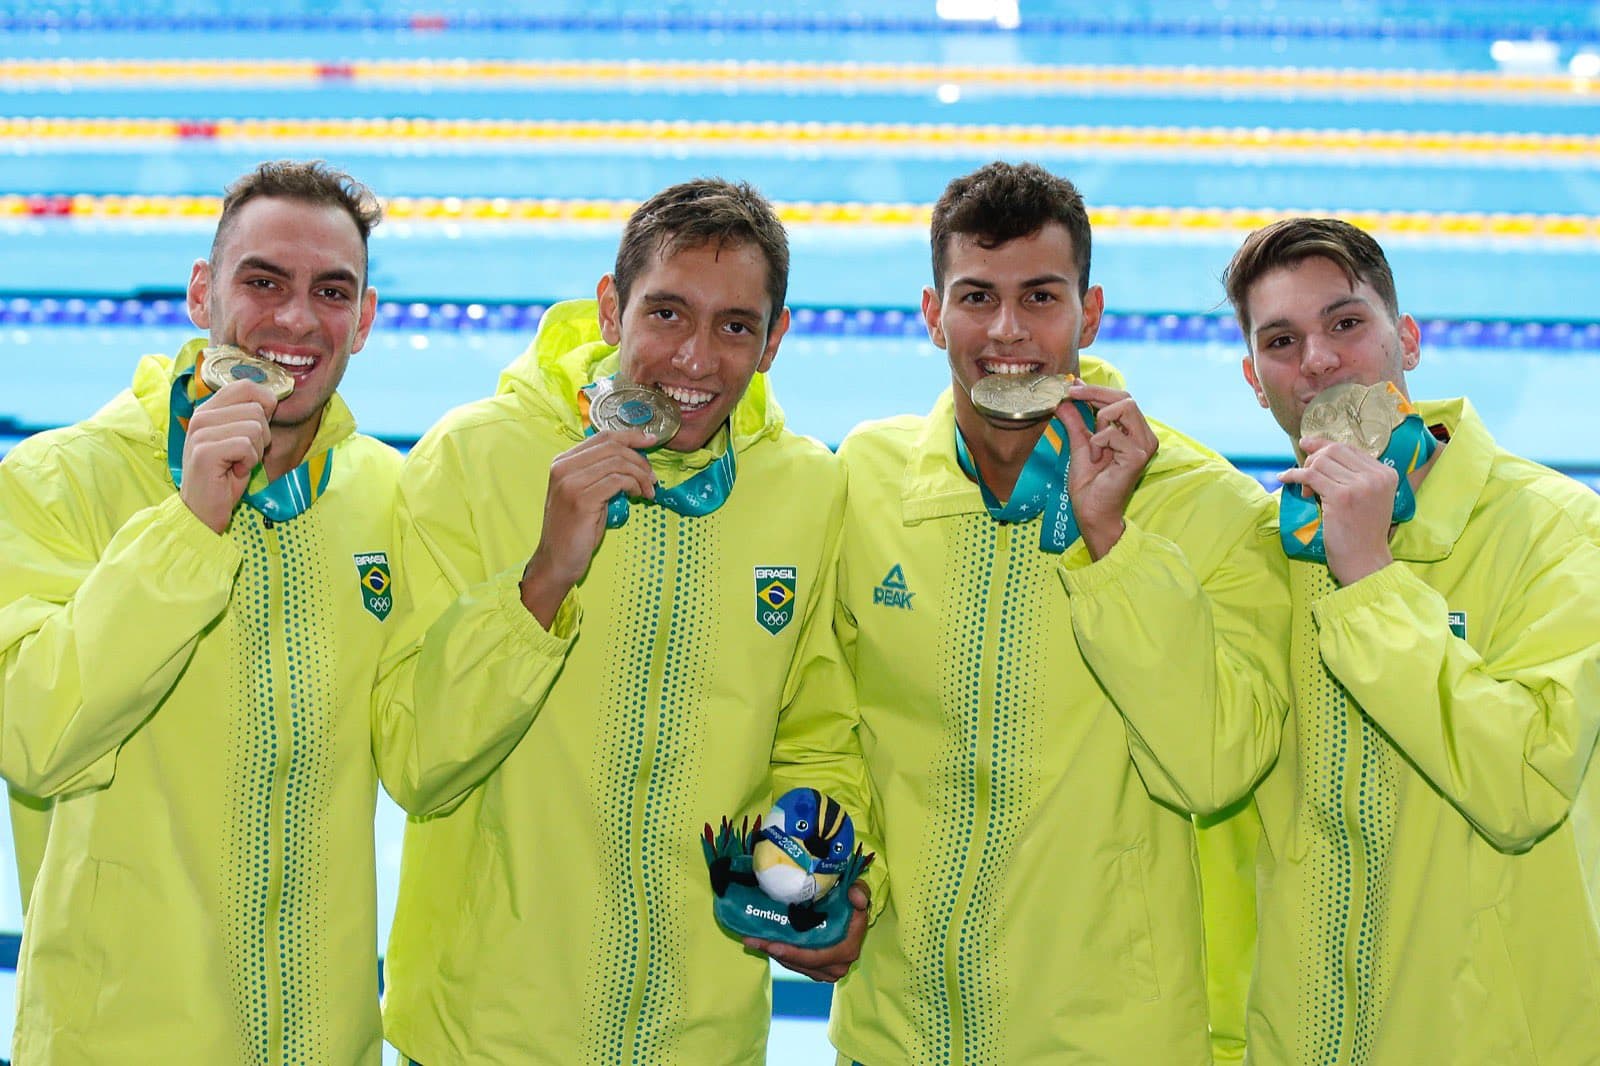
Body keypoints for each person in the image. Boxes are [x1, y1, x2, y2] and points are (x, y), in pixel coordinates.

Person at [377, 178, 881, 1064]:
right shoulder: (472, 458)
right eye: (667, 314)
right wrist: (542, 583)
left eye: (735, 327)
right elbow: (417, 761)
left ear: (774, 343)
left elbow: (816, 729)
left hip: (700, 1040)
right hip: (487, 1041)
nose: (694, 358)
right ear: (611, 310)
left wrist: (823, 861)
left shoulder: (805, 492)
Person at [823, 160, 1291, 1064]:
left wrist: (1112, 545)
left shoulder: (1207, 510)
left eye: (1040, 297)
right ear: (932, 315)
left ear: (1090, 311)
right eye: (976, 297)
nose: (1007, 332)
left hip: (1106, 1043)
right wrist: (834, 865)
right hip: (894, 1035)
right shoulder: (865, 483)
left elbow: (1214, 770)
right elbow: (826, 725)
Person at [0, 160, 410, 1062]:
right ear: (201, 293)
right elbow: (33, 736)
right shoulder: (54, 482)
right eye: (262, 281)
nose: (296, 319)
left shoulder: (387, 496)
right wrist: (188, 528)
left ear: (366, 320)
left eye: (330, 291)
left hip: (325, 1044)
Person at [1213, 216, 1600, 1063]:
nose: (1316, 361)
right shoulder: (1263, 553)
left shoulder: (1559, 531)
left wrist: (1374, 579)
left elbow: (1524, 784)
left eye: (1346, 324)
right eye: (1282, 341)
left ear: (1408, 341)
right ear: (1254, 379)